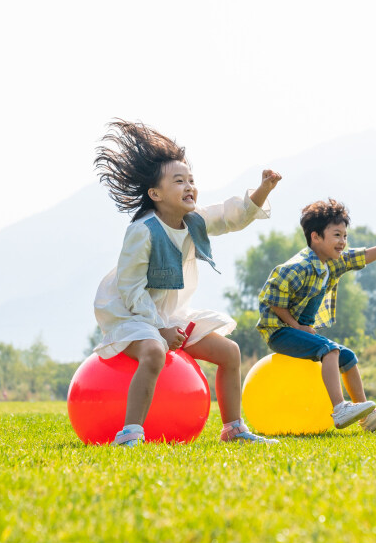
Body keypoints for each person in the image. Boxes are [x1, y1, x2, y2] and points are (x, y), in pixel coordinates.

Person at [93, 120, 281, 446]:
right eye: (179, 181)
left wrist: (262, 190)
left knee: (230, 352)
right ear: (155, 194)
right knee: (153, 350)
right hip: (131, 313)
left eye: (191, 180)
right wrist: (159, 329)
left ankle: (234, 428)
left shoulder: (194, 221)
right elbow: (131, 289)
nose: (189, 186)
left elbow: (229, 216)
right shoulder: (143, 231)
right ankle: (130, 434)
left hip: (169, 315)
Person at [257, 199, 376, 432]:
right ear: (316, 237)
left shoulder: (332, 262)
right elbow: (270, 299)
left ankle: (366, 415)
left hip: (297, 329)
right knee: (329, 349)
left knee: (347, 356)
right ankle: (340, 409)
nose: (342, 242)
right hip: (279, 332)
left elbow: (362, 256)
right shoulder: (298, 267)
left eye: (345, 236)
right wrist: (296, 327)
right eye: (337, 235)